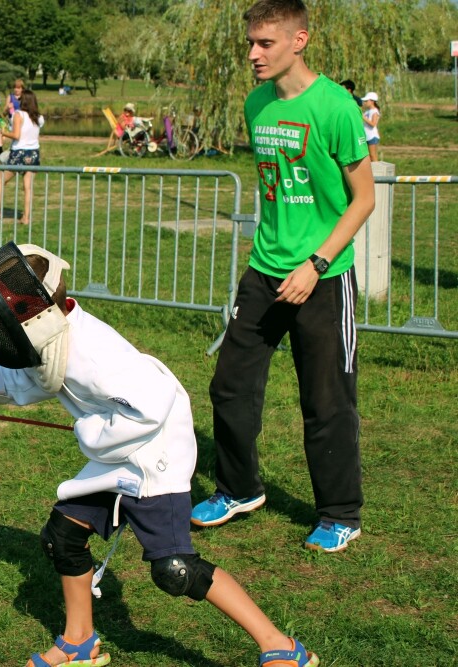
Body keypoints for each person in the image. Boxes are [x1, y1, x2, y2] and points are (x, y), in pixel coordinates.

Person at [0, 242, 321, 667]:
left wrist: (89, 429)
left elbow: (153, 404)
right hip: (121, 449)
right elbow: (18, 379)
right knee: (63, 537)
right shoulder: (51, 332)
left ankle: (282, 647)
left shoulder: (94, 355)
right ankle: (78, 643)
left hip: (157, 452)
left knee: (175, 568)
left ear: (37, 309)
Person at [191, 0, 375, 554]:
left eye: (265, 43)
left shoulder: (336, 107)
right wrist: (275, 260)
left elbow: (362, 200)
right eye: (250, 42)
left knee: (326, 400)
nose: (252, 54)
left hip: (324, 276)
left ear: (300, 40)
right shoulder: (257, 105)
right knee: (230, 385)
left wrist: (315, 264)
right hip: (263, 272)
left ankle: (340, 512)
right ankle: (239, 488)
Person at [0, 88, 43, 225]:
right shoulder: (39, 117)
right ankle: (26, 217)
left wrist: (4, 133)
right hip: (34, 153)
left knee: (1, 180)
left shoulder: (19, 115)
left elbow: (17, 135)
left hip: (19, 153)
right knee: (28, 186)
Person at [361, 91, 381, 162]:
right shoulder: (367, 111)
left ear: (372, 101)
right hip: (367, 136)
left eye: (366, 101)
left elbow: (373, 124)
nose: (365, 102)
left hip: (372, 136)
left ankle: (377, 172)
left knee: (373, 156)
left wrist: (364, 117)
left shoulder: (374, 111)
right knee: (368, 157)